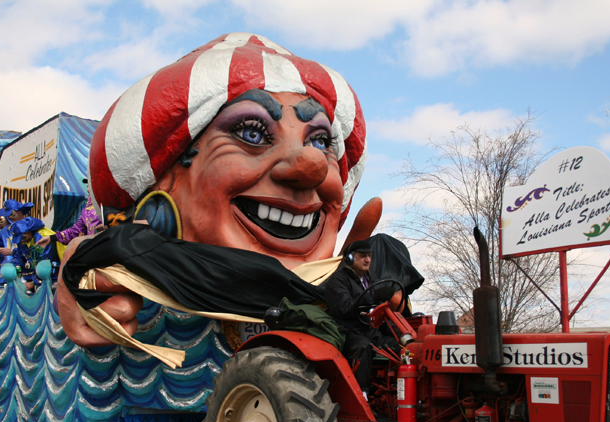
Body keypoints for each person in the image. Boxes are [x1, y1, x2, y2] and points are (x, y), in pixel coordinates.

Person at [59, 33, 376, 348]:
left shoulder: (334, 300)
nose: (310, 166)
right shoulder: (132, 274)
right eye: (251, 132)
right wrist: (86, 266)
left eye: (320, 141)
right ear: (165, 180)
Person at [324, 240, 400, 399]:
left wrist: (400, 335)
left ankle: (398, 393)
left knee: (403, 347)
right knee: (363, 347)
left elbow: (381, 309)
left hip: (371, 331)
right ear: (350, 259)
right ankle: (362, 396)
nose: (368, 260)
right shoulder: (338, 280)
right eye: (362, 256)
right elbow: (345, 307)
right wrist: (372, 296)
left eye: (369, 256)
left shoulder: (372, 278)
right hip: (349, 332)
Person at [11, 217, 57, 292]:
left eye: (22, 237)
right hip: (33, 276)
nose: (21, 241)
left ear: (28, 231)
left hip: (53, 276)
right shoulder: (23, 241)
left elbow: (45, 263)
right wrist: (17, 270)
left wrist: (33, 283)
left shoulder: (42, 238)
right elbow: (18, 255)